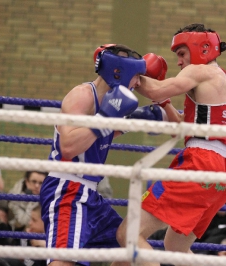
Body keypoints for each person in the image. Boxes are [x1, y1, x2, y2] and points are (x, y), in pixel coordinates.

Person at [116, 23, 226, 266]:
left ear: (201, 49)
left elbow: (156, 89)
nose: (179, 62)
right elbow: (185, 125)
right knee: (175, 246)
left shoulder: (201, 72)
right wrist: (165, 103)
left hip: (201, 163)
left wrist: (127, 70)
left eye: (182, 54)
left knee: (129, 233)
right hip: (223, 172)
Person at [39, 44, 167, 266]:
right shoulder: (82, 95)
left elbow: (100, 134)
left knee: (127, 246)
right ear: (119, 71)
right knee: (64, 260)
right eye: (137, 76)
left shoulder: (108, 100)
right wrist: (106, 118)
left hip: (90, 195)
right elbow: (68, 147)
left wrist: (134, 121)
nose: (138, 83)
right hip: (68, 190)